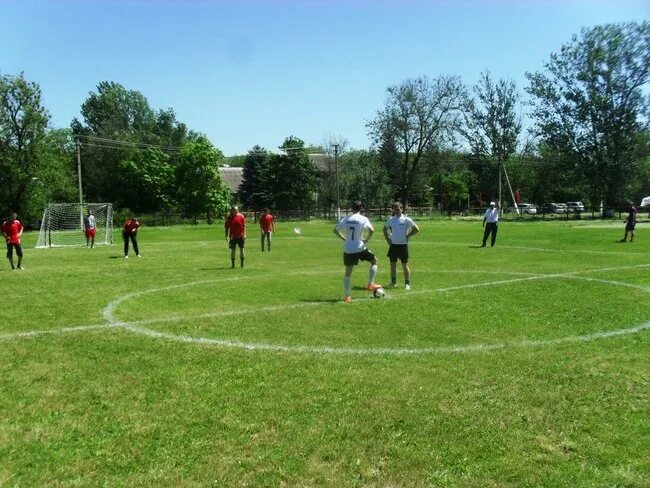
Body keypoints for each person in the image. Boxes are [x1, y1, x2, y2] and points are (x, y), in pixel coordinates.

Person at [333, 201, 381, 303]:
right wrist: (367, 239)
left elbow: (335, 230)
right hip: (359, 247)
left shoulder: (346, 219)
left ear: (351, 208)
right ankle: (371, 283)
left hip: (348, 248)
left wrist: (343, 238)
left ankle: (347, 296)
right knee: (374, 261)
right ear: (361, 208)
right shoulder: (363, 219)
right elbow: (372, 230)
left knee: (348, 273)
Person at [383, 201, 419, 290]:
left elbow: (416, 229)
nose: (396, 211)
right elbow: (384, 229)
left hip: (403, 245)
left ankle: (407, 284)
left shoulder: (406, 219)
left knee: (405, 265)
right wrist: (388, 239)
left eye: (398, 209)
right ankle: (393, 282)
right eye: (395, 209)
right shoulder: (391, 219)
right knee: (392, 265)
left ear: (401, 209)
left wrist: (408, 235)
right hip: (393, 245)